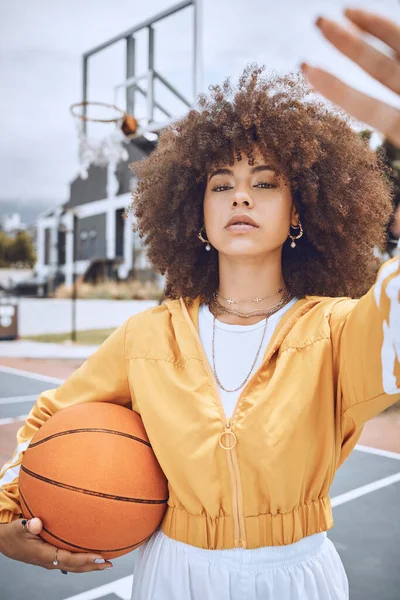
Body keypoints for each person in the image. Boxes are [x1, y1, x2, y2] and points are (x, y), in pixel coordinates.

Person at [1, 7, 399, 599]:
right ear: (197, 213)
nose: (241, 193)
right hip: (173, 577)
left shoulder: (340, 331)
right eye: (221, 184)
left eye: (265, 182)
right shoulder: (146, 338)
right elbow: (44, 424)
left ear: (298, 212)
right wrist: (6, 514)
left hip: (297, 577)